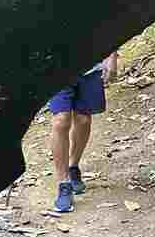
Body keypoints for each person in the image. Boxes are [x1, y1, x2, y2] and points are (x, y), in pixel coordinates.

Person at [49, 52, 119, 213]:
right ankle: (63, 183)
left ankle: (73, 166)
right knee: (61, 120)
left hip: (90, 66)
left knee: (83, 120)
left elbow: (107, 25)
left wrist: (112, 57)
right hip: (55, 67)